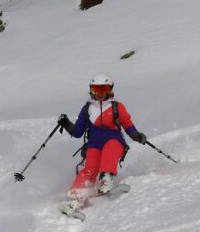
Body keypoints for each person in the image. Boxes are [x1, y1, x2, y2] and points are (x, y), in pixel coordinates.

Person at [56, 73, 147, 214]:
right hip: (94, 145)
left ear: (110, 89)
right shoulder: (87, 109)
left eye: (103, 89)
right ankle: (74, 200)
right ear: (91, 90)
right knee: (89, 169)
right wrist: (67, 124)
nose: (99, 94)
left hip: (115, 141)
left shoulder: (117, 107)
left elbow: (128, 126)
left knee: (110, 148)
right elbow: (77, 132)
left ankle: (106, 179)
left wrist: (137, 135)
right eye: (95, 90)